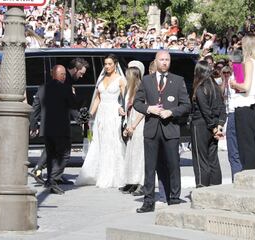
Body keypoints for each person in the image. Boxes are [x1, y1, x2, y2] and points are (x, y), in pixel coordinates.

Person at [134, 50, 191, 213]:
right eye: (162, 60)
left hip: (170, 128)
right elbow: (137, 103)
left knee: (173, 164)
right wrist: (148, 108)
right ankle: (148, 200)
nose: (165, 62)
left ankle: (174, 198)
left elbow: (186, 105)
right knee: (150, 167)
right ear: (156, 61)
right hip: (152, 128)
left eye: (167, 60)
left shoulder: (178, 80)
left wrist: (171, 112)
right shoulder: (146, 81)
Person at [29, 58, 90, 184]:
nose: (82, 76)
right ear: (75, 69)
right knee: (61, 150)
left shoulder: (60, 81)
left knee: (53, 148)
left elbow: (37, 105)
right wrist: (80, 119)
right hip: (59, 122)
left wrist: (33, 123)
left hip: (49, 122)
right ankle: (48, 174)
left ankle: (50, 174)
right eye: (81, 73)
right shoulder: (65, 82)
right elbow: (70, 105)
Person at [75, 54, 126, 188]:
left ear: (115, 64)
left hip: (113, 113)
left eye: (109, 64)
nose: (107, 66)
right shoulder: (101, 79)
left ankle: (113, 175)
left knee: (112, 142)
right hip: (101, 114)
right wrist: (90, 114)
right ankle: (98, 173)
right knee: (99, 141)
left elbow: (126, 97)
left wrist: (122, 108)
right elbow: (97, 98)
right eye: (105, 64)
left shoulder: (120, 80)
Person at [190, 60, 227, 188]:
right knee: (213, 158)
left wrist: (213, 128)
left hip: (201, 125)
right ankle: (216, 185)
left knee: (201, 159)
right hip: (215, 125)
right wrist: (219, 126)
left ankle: (202, 186)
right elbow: (223, 109)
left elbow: (205, 111)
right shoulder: (216, 88)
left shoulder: (200, 88)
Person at [230, 33, 255, 170]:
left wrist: (233, 83)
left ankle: (249, 175)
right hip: (253, 107)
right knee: (251, 144)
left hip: (244, 107)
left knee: (245, 147)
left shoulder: (249, 62)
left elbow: (245, 86)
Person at [42, 65, 76, 194]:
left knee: (51, 155)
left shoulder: (43, 88)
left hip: (47, 127)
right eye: (63, 75)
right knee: (64, 154)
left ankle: (50, 181)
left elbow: (37, 107)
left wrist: (35, 125)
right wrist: (73, 94)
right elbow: (73, 104)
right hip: (61, 127)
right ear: (60, 75)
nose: (65, 77)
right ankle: (53, 179)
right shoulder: (65, 89)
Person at [119, 61, 145, 195]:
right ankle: (132, 181)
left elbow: (142, 111)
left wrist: (133, 126)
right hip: (131, 122)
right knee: (132, 153)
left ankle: (141, 182)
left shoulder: (142, 90)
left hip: (139, 124)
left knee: (140, 154)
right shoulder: (130, 90)